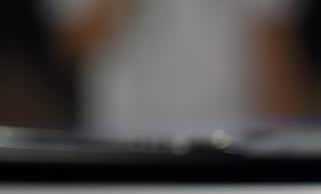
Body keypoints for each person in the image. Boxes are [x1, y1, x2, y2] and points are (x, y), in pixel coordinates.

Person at [42, 0, 307, 134]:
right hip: (123, 142)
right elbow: (76, 44)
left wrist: (283, 149)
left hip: (231, 138)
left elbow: (275, 44)